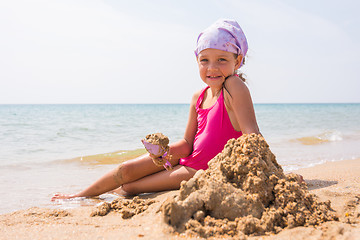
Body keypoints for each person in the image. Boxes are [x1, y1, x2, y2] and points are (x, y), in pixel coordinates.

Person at [51, 19, 260, 201]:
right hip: (188, 159)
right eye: (204, 60)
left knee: (130, 187)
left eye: (222, 59)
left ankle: (90, 195)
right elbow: (188, 144)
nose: (212, 67)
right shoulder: (199, 97)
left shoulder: (234, 86)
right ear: (197, 61)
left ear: (238, 61)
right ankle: (80, 195)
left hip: (201, 171)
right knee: (126, 170)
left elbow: (253, 137)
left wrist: (263, 174)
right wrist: (164, 152)